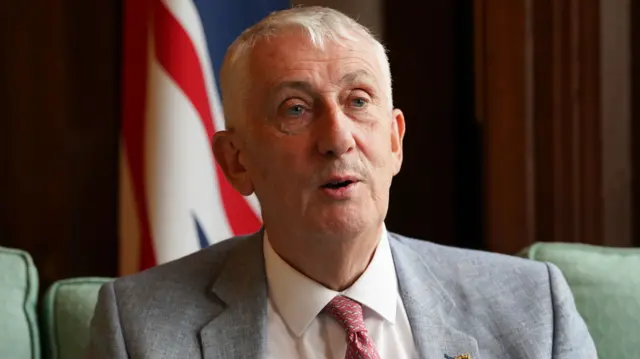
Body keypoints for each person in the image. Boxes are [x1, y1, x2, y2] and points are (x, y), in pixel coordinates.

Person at [86, 6, 597, 359]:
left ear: (394, 141)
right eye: (296, 109)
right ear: (236, 160)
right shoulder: (143, 328)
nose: (337, 138)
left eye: (357, 101)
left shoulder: (531, 307)